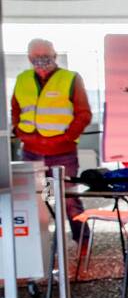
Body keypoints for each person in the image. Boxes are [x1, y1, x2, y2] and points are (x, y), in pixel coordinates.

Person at [10, 38, 90, 241]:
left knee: (69, 199)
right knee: (34, 199)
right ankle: (38, 243)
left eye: (46, 56)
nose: (42, 61)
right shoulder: (22, 79)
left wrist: (67, 137)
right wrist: (20, 132)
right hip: (31, 151)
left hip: (63, 152)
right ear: (29, 58)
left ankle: (82, 240)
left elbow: (84, 114)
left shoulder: (71, 78)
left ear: (55, 56)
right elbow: (16, 109)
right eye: (37, 57)